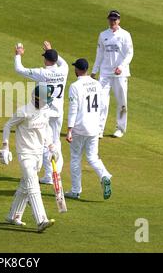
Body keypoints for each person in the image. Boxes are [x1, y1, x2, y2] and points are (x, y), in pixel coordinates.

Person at [0, 85, 59, 233]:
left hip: (38, 154)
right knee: (33, 185)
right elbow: (7, 126)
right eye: (45, 100)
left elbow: (46, 129)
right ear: (36, 98)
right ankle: (41, 220)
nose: (47, 102)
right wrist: (5, 146)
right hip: (25, 153)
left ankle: (13, 216)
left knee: (25, 185)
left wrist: (51, 147)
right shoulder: (24, 111)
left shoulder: (45, 110)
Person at [14, 42, 68, 185]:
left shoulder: (42, 73)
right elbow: (61, 61)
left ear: (46, 60)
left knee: (45, 143)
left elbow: (19, 69)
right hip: (58, 112)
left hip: (45, 113)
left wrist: (18, 55)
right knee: (56, 141)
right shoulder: (65, 69)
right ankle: (57, 170)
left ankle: (50, 175)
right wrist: (51, 50)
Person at [65, 58, 112, 200]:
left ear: (77, 70)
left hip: (79, 127)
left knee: (75, 158)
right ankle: (104, 175)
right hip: (94, 127)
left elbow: (73, 109)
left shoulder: (75, 86)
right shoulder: (97, 84)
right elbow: (103, 106)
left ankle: (75, 190)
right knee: (92, 157)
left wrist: (69, 129)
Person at [91, 10, 134, 138]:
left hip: (120, 73)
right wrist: (94, 71)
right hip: (105, 72)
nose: (113, 22)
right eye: (111, 19)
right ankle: (99, 129)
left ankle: (120, 128)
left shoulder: (125, 35)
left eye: (115, 19)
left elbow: (130, 53)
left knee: (122, 101)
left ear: (119, 21)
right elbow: (99, 54)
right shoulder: (103, 34)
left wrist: (121, 66)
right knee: (102, 101)